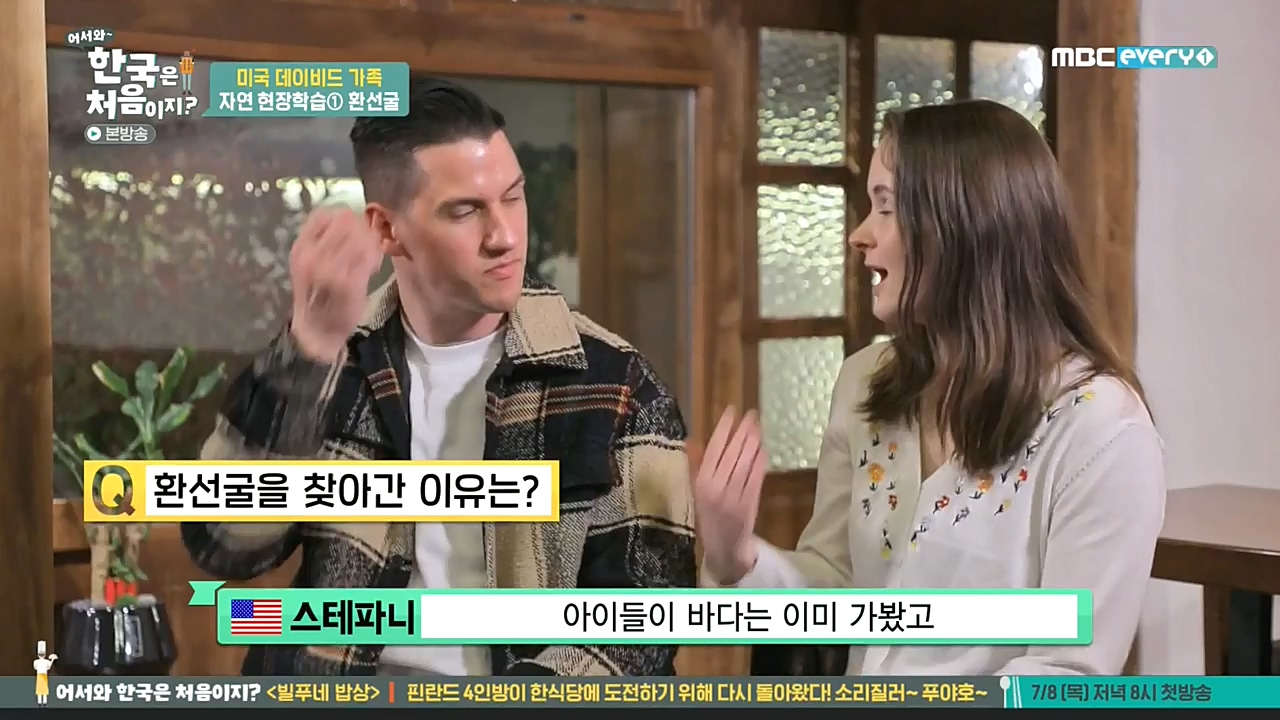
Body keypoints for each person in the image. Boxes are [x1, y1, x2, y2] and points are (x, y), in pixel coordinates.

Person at [182, 76, 695, 676]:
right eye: (466, 210)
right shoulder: (338, 362)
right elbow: (222, 543)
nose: (505, 236)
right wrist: (309, 349)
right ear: (386, 229)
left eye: (513, 197)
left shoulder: (615, 383)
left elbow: (642, 625)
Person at [693, 100, 1165, 676]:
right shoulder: (865, 382)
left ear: (966, 227)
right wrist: (736, 555)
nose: (858, 235)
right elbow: (837, 595)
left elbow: (1067, 673)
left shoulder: (1101, 429)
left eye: (885, 207)